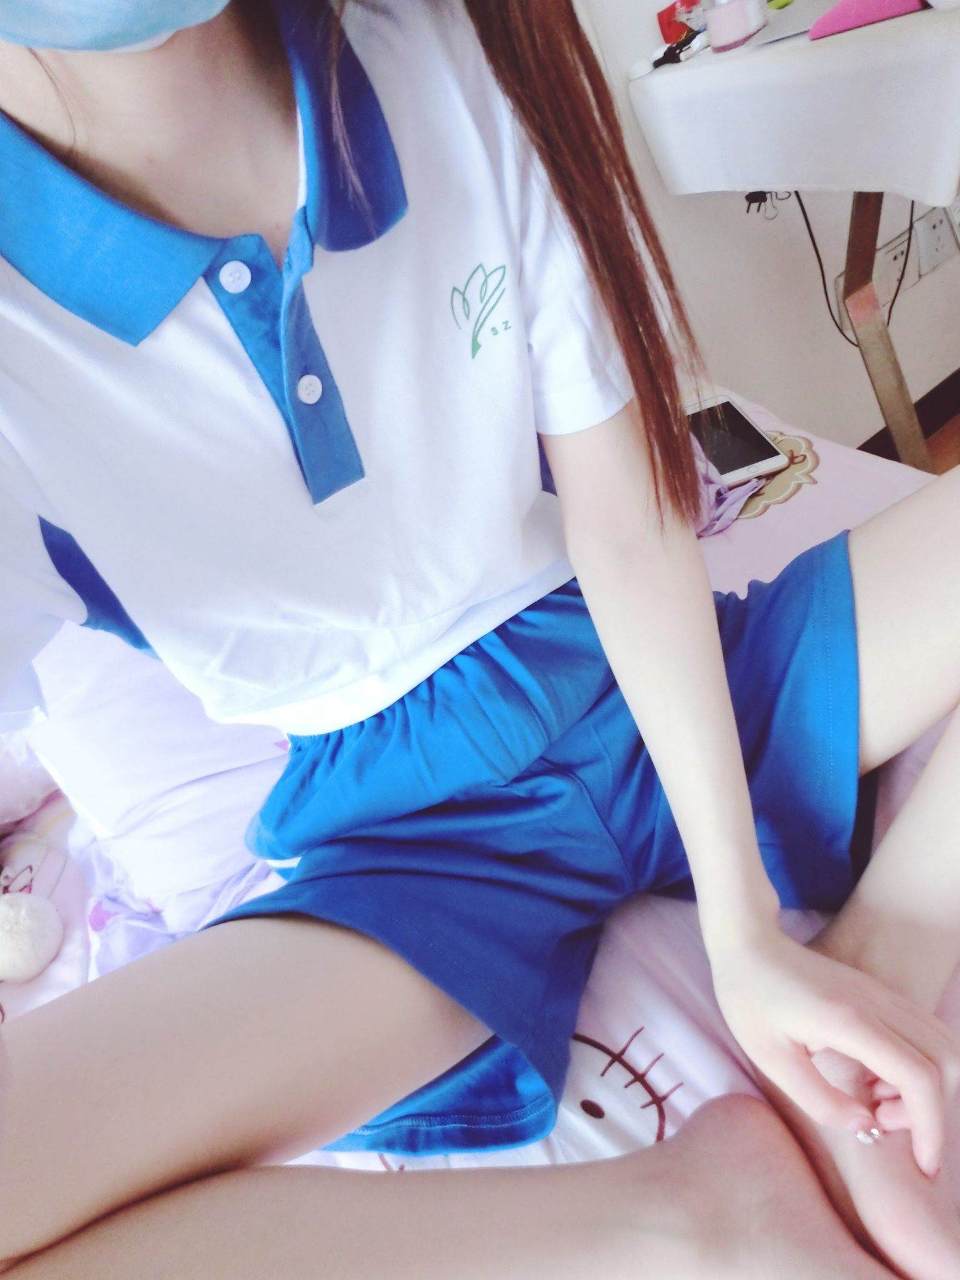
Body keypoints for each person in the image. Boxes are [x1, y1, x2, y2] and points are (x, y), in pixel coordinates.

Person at [0, 0, 957, 1275]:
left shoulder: (440, 49)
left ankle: (886, 952)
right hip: (411, 846)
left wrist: (747, 937)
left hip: (655, 670)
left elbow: (627, 524)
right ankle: (686, 1210)